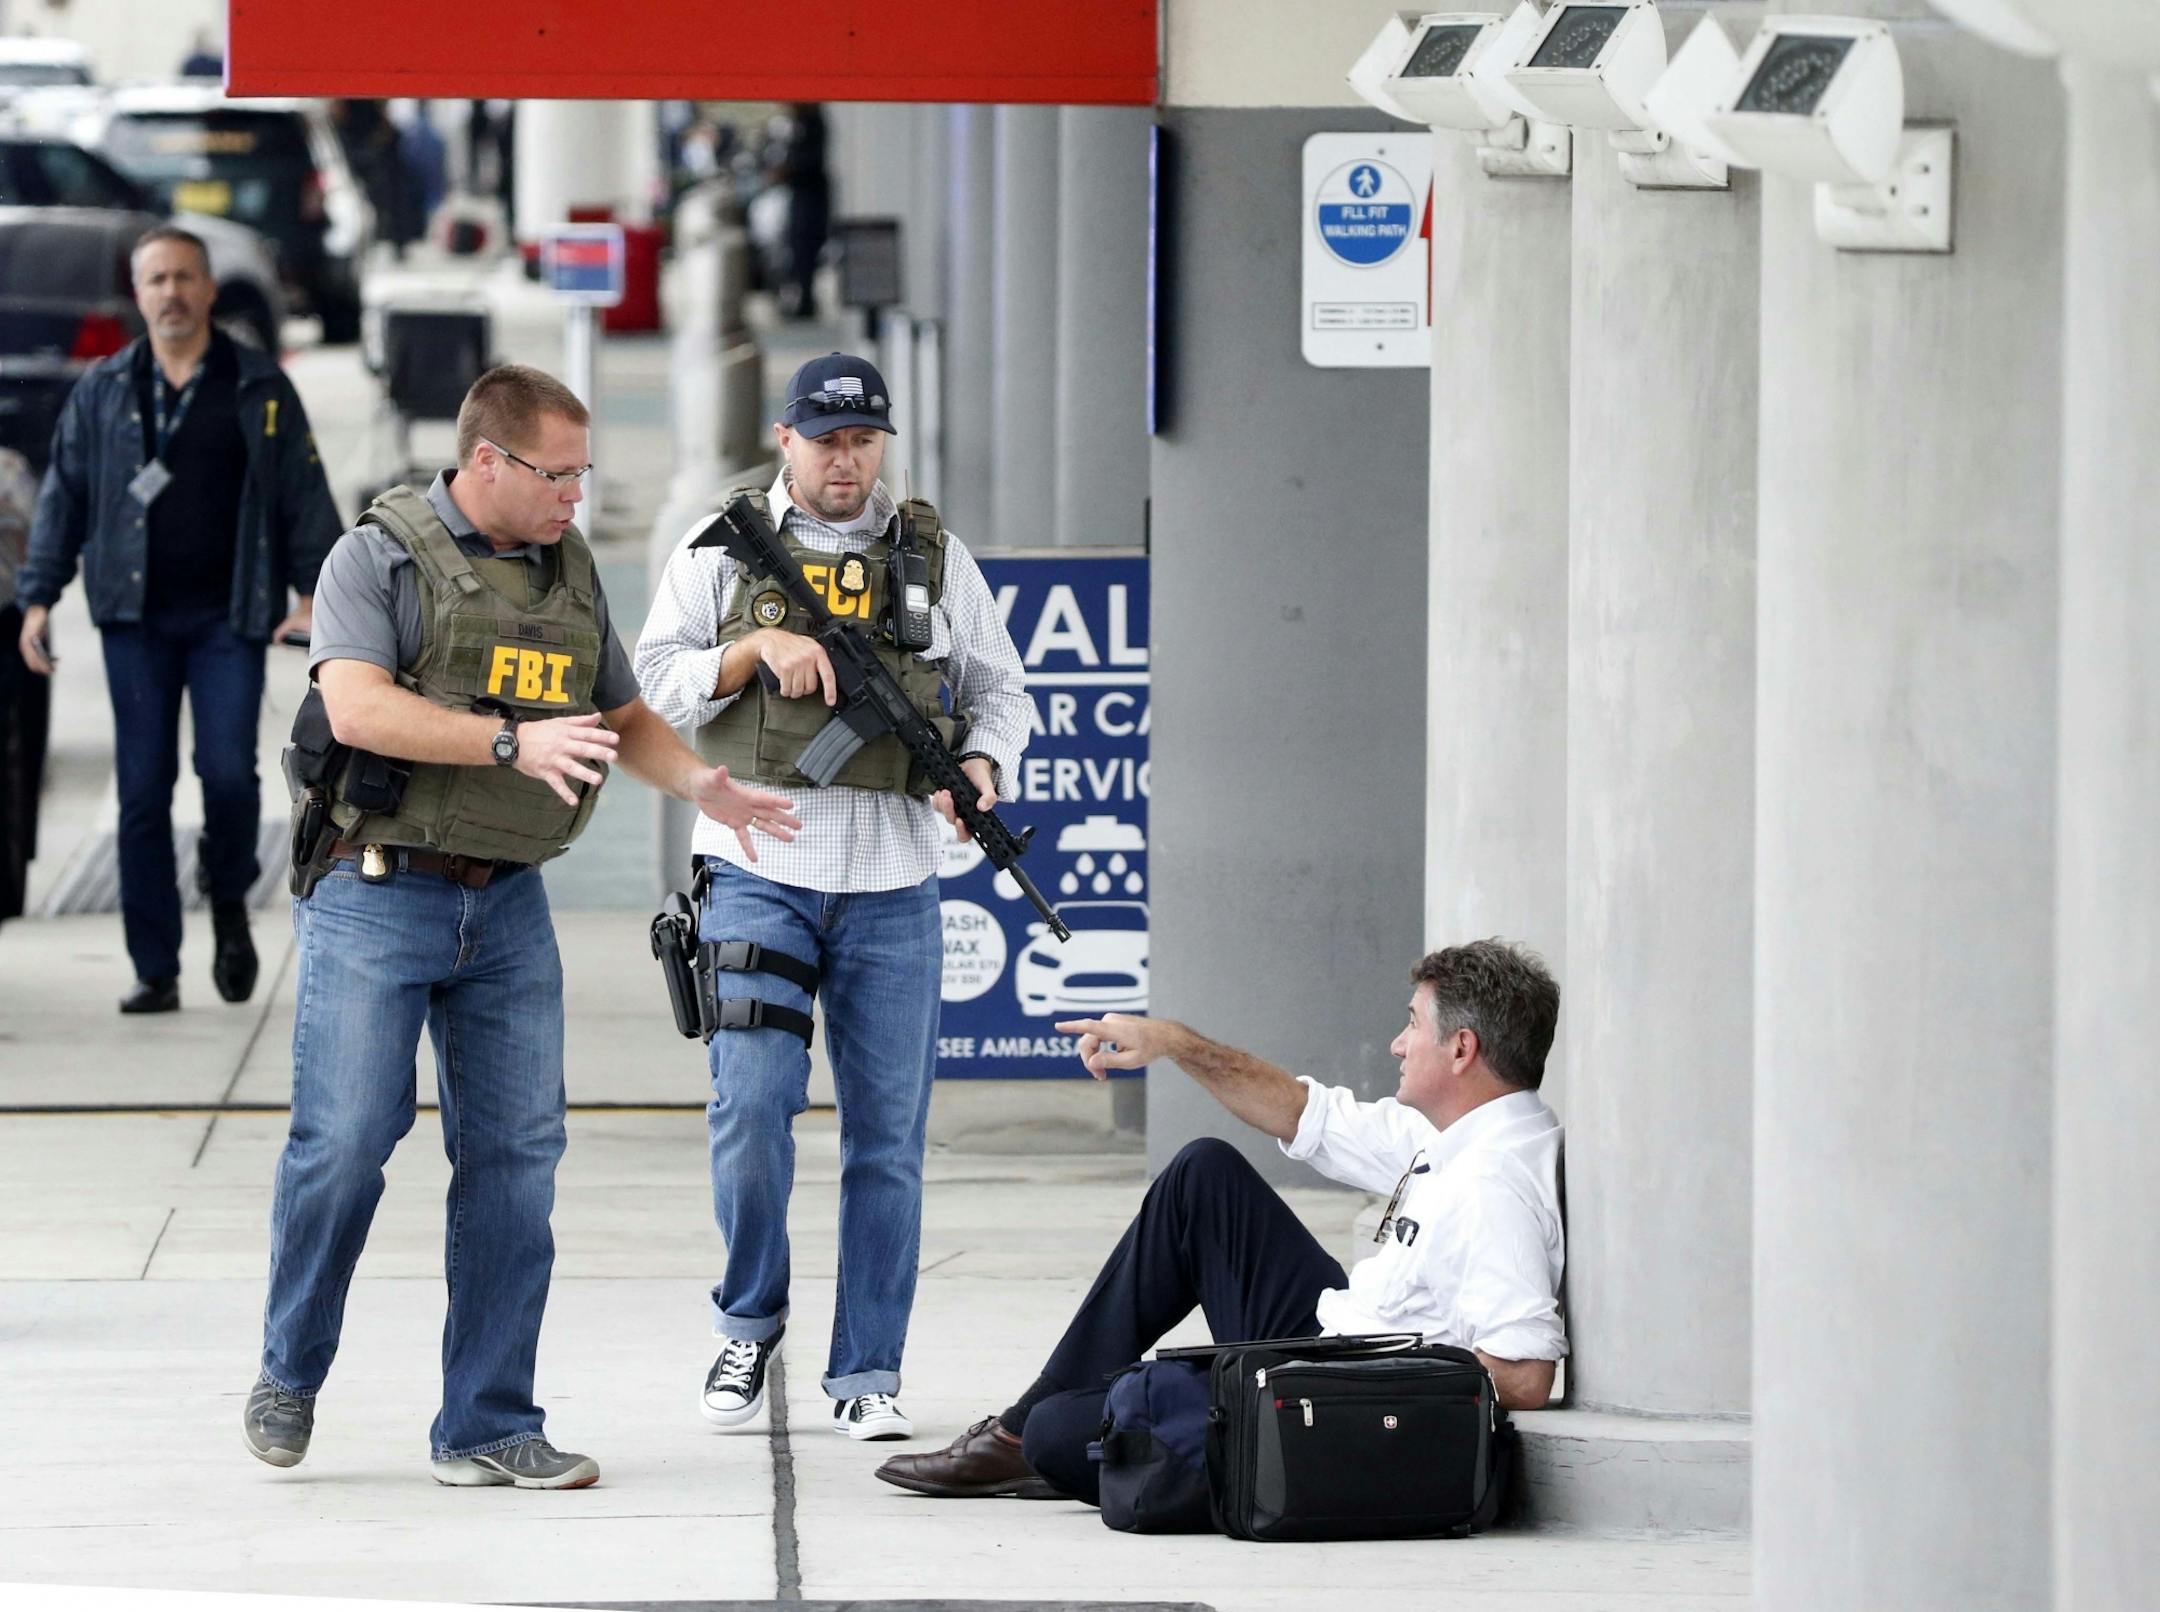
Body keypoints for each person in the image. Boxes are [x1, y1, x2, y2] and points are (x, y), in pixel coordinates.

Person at [242, 364, 802, 1491]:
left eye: (584, 476)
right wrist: (509, 741)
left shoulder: (570, 568)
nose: (575, 499)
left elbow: (621, 714)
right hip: (376, 888)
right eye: (558, 475)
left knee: (515, 1162)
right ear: (485, 461)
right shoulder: (377, 556)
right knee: (347, 1142)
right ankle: (290, 1367)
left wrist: (703, 786)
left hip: (505, 904)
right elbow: (355, 703)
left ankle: (488, 1419)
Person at [635, 351, 1031, 1442]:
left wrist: (985, 770)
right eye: (826, 439)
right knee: (752, 1111)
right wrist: (753, 647)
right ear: (786, 438)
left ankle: (866, 1370)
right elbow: (652, 678)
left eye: (863, 439)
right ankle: (748, 1319)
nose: (845, 459)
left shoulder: (933, 558)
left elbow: (1002, 689)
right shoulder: (724, 548)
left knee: (887, 1140)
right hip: (760, 871)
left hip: (895, 884)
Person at [876, 940, 1568, 1504]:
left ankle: (1033, 1437)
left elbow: (1526, 1375)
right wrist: (1172, 1042)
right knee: (1203, 1175)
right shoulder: (1453, 1135)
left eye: (1413, 1024)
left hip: (1343, 1395)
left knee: (1066, 1433)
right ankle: (1018, 1434)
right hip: (1333, 1338)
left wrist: (1360, 1374)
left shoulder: (1493, 1183)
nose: (1396, 1044)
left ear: (1461, 1049)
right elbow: (1301, 1112)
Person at [15, 226, 339, 1013]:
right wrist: (39, 594)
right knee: (141, 793)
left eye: (185, 277)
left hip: (227, 619)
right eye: (156, 279)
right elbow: (64, 495)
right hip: (134, 622)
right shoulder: (104, 390)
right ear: (139, 292)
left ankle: (227, 902)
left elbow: (301, 492)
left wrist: (318, 594)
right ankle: (154, 965)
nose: (172, 292)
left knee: (229, 777)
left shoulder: (256, 386)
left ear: (207, 288)